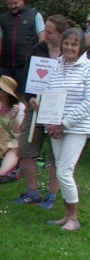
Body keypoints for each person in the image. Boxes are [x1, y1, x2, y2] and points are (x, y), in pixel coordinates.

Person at [12, 15, 69, 207]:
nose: (44, 34)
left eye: (50, 32)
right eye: (45, 30)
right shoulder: (39, 49)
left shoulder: (71, 53)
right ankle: (31, 193)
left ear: (61, 34)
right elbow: (28, 76)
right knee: (25, 148)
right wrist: (30, 98)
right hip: (36, 107)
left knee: (57, 153)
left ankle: (52, 195)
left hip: (60, 110)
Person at [42, 27, 90, 231]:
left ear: (81, 47)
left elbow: (88, 102)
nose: (69, 47)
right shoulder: (56, 65)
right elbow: (49, 94)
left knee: (64, 170)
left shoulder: (87, 68)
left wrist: (65, 123)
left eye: (74, 44)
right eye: (67, 43)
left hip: (76, 127)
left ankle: (73, 218)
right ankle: (66, 215)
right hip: (55, 126)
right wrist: (49, 122)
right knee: (61, 170)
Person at [0, 0, 45, 94]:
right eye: (10, 4)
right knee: (4, 96)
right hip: (6, 65)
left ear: (22, 1)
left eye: (15, 3)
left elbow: (42, 38)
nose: (13, 6)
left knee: (24, 97)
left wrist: (38, 63)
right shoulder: (2, 18)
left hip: (26, 65)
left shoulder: (34, 15)